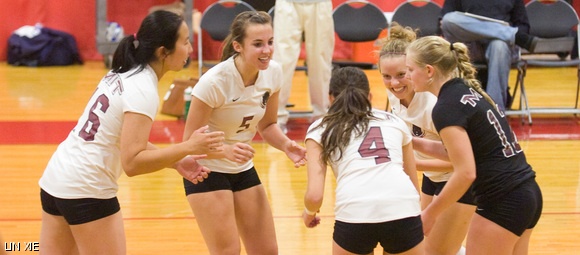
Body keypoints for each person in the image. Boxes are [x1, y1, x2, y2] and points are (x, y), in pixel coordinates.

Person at [38, 11, 225, 254]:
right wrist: (188, 147)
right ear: (163, 51)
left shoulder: (123, 71)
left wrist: (177, 161)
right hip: (87, 190)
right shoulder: (143, 89)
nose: (190, 48)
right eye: (185, 41)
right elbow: (132, 163)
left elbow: (123, 139)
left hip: (56, 180)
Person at [182, 11, 307, 255]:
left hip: (242, 169)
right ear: (238, 46)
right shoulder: (214, 82)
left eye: (270, 42)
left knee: (266, 250)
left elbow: (268, 125)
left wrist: (286, 145)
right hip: (206, 171)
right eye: (258, 44)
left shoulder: (274, 73)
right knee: (228, 251)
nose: (267, 50)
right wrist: (225, 150)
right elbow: (188, 143)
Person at [405, 35, 543, 255]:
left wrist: (430, 213)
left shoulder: (445, 107)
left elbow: (466, 172)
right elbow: (459, 152)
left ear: (429, 71)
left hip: (503, 200)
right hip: (528, 193)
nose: (408, 77)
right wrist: (412, 142)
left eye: (410, 70)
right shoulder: (466, 91)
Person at [302, 66, 424, 255]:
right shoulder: (394, 121)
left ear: (330, 97)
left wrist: (309, 213)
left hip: (355, 213)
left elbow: (315, 195)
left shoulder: (320, 128)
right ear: (370, 96)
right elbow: (413, 182)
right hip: (402, 208)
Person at [379, 23, 475, 255]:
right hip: (431, 179)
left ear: (414, 70)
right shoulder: (394, 96)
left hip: (455, 180)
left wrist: (415, 163)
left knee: (437, 249)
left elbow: (461, 163)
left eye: (402, 75)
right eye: (387, 76)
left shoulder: (434, 105)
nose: (394, 83)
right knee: (423, 237)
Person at [439, 0, 539, 111]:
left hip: (499, 50)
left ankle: (494, 111)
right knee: (449, 20)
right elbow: (443, 23)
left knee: (499, 45)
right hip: (469, 48)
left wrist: (494, 35)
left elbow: (523, 27)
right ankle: (509, 33)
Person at [273, 0, 335, 131]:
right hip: (287, 4)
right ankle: (276, 117)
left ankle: (321, 116)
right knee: (282, 61)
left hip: (319, 3)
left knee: (321, 60)